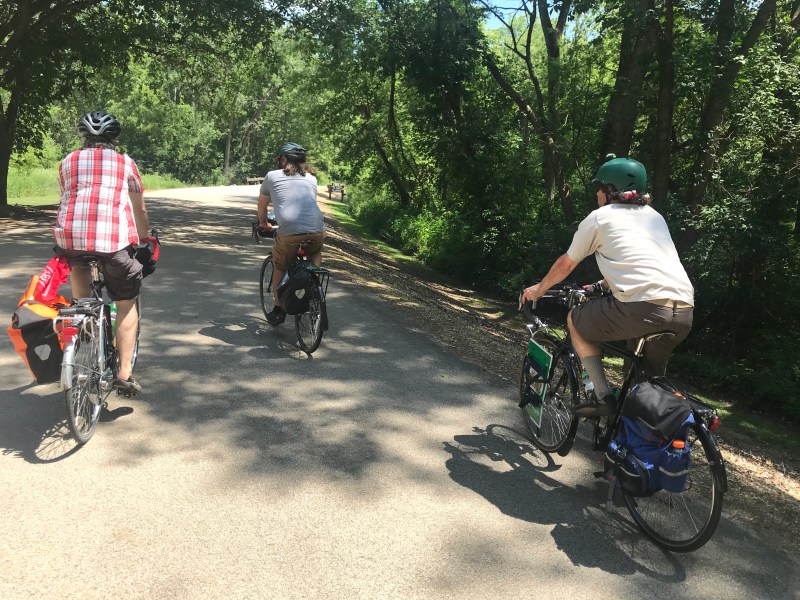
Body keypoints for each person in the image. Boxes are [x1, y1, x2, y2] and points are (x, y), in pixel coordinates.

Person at [522, 155, 694, 416]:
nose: (597, 194)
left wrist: (539, 289)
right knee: (646, 385)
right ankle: (634, 445)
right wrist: (600, 286)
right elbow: (643, 267)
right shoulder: (654, 217)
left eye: (598, 188)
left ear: (609, 190)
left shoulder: (601, 217)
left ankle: (603, 397)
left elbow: (567, 264)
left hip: (642, 308)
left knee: (576, 321)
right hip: (683, 312)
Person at [52, 110, 150, 395]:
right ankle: (124, 373)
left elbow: (68, 197)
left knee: (80, 277)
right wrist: (143, 238)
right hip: (113, 242)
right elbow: (138, 207)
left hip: (70, 239)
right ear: (115, 138)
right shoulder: (124, 162)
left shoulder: (67, 161)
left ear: (84, 136)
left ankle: (85, 323)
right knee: (126, 302)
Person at [257, 142, 326, 325]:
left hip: (289, 233)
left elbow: (262, 207)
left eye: (279, 158)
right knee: (315, 252)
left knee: (280, 265)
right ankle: (312, 287)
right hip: (317, 229)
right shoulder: (312, 178)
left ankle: (279, 309)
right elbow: (308, 206)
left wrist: (264, 224)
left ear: (284, 158)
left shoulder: (271, 176)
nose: (278, 161)